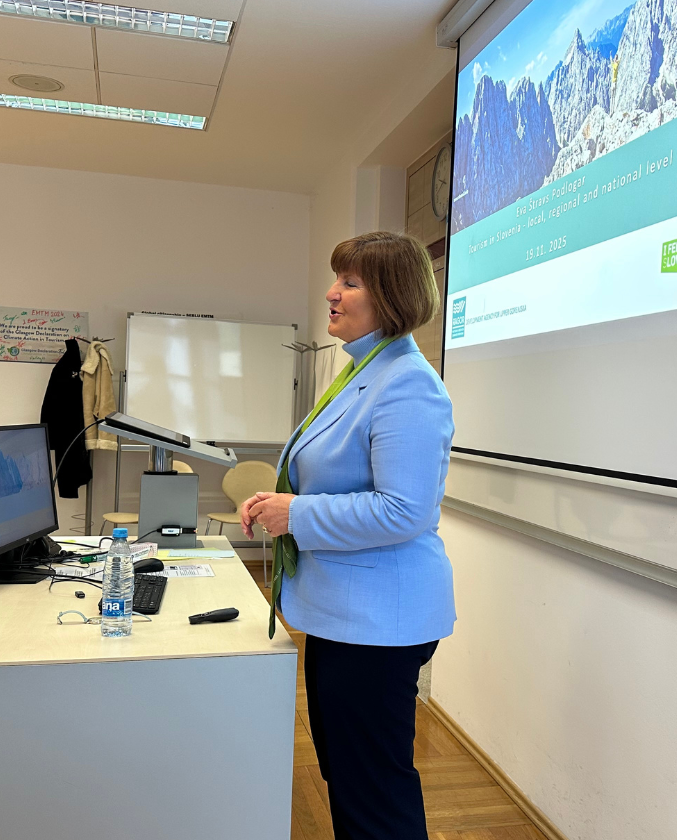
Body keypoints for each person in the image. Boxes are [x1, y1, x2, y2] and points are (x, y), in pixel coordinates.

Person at [241, 231, 455, 840]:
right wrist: (282, 503)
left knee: (374, 791)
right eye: (337, 279)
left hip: (378, 623)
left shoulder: (408, 383)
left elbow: (403, 511)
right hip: (345, 617)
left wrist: (297, 515)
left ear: (390, 296)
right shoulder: (365, 371)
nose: (332, 294)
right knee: (349, 774)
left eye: (351, 282)